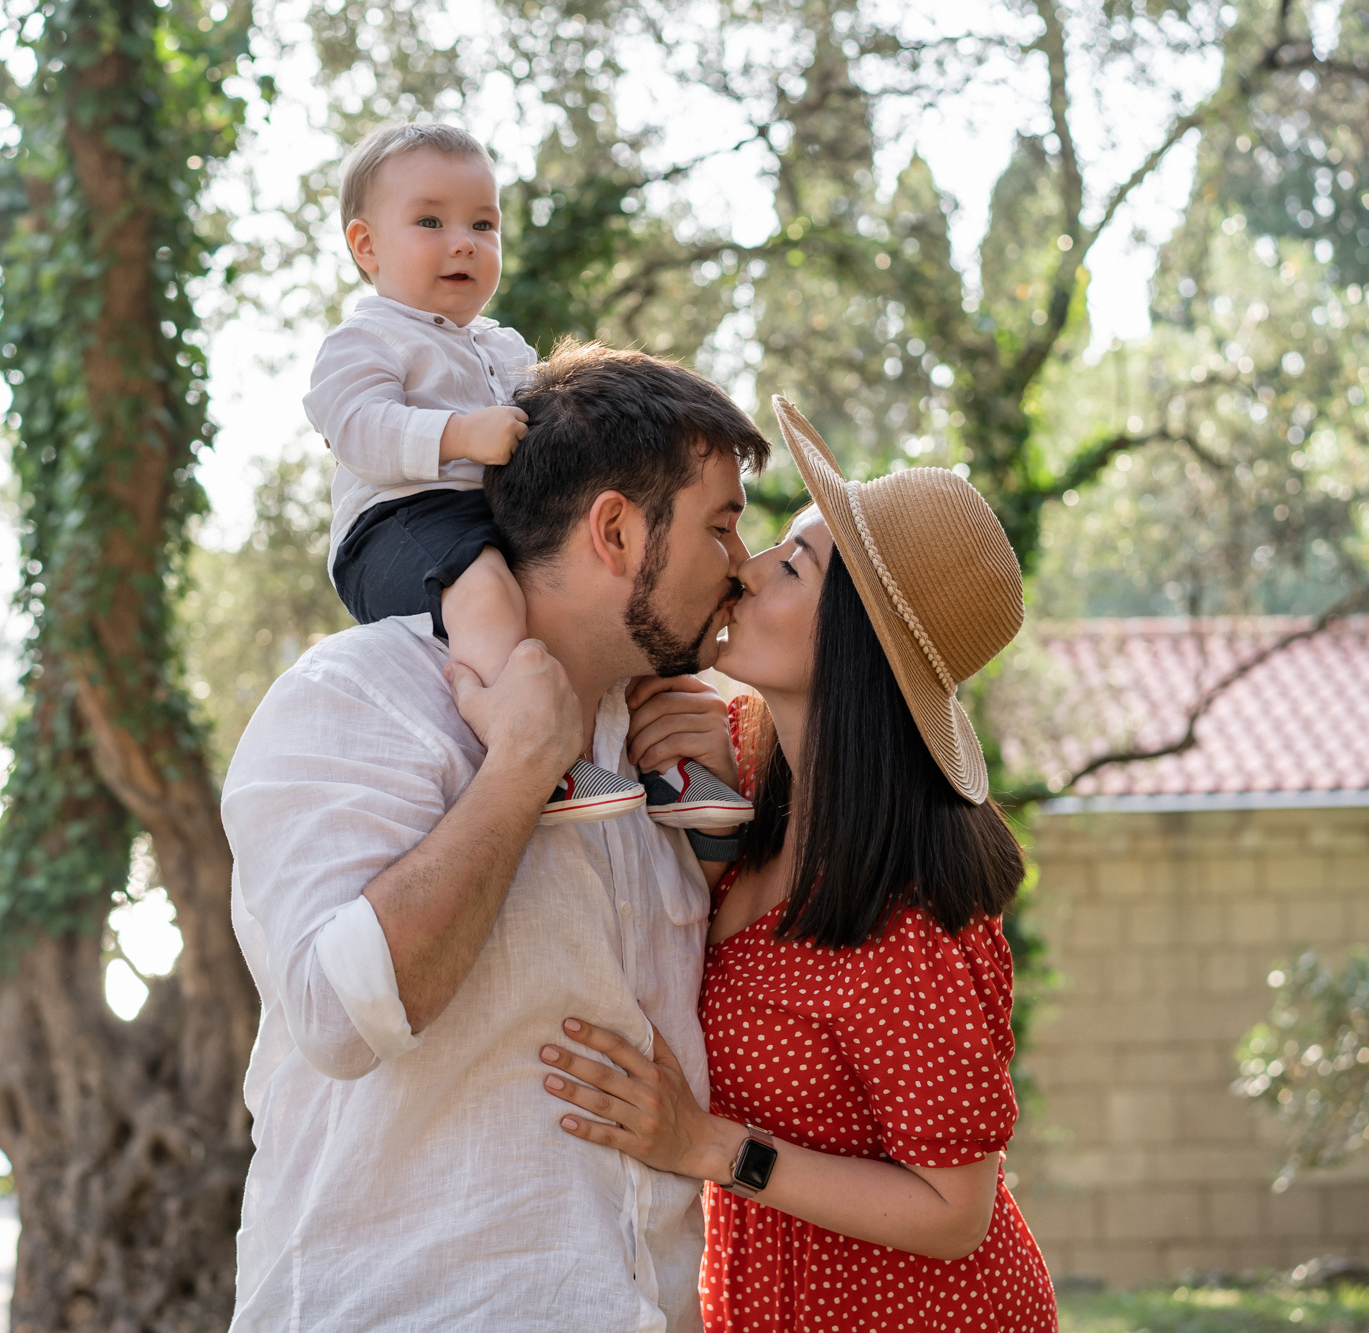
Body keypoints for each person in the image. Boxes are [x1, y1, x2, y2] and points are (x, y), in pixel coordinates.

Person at [222, 342, 772, 1331]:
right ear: (613, 529)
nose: (741, 567)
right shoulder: (355, 699)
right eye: (719, 528)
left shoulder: (665, 757)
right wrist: (520, 767)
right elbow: (341, 1018)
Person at [538, 397, 1058, 1331]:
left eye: (794, 561)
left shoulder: (911, 915)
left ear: (851, 646)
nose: (747, 563)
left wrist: (709, 1146)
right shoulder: (761, 811)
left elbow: (957, 1210)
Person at [306, 121, 752, 829]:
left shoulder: (502, 345)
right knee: (485, 591)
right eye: (430, 221)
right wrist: (458, 433)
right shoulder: (368, 337)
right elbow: (351, 424)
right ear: (366, 245)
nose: (463, 242)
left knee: (622, 608)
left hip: (481, 516)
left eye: (483, 225)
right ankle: (529, 751)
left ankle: (669, 770)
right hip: (398, 522)